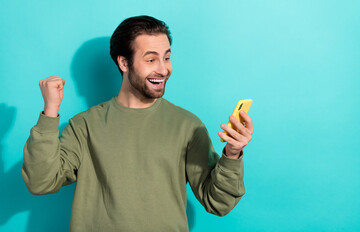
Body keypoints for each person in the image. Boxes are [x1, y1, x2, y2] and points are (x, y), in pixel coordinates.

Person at [22, 15, 254, 232]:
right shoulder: (85, 126)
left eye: (167, 57)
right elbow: (40, 182)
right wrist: (50, 112)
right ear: (124, 63)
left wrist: (232, 154)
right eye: (151, 59)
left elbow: (219, 203)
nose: (163, 69)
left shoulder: (188, 126)